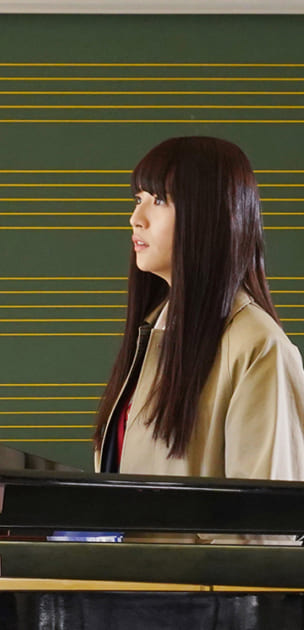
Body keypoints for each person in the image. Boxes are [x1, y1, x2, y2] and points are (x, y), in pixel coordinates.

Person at [94, 136, 304, 482]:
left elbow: (264, 513)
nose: (136, 218)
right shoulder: (154, 331)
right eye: (138, 199)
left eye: (159, 200)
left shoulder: (259, 348)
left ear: (209, 215)